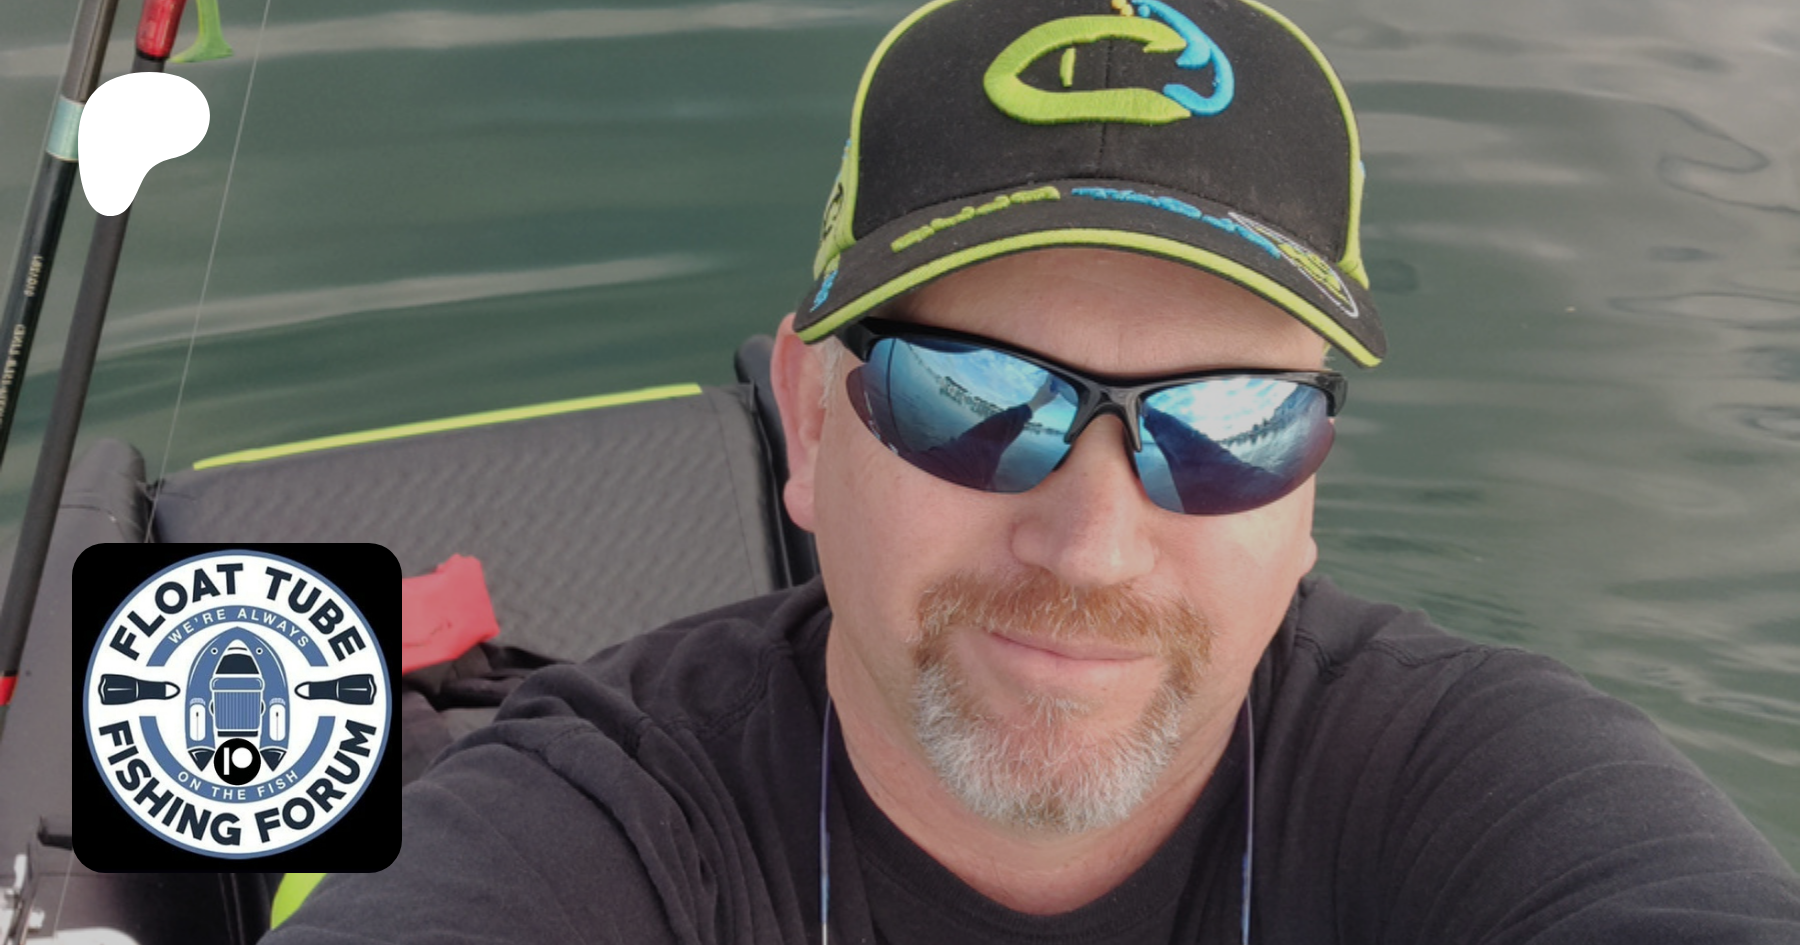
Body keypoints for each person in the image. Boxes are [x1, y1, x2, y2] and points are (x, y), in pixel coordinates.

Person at [265, 0, 1800, 941]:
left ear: (1308, 486)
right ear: (812, 421)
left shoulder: (1466, 787)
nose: (1091, 545)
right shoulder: (605, 820)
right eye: (974, 397)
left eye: (1228, 424)